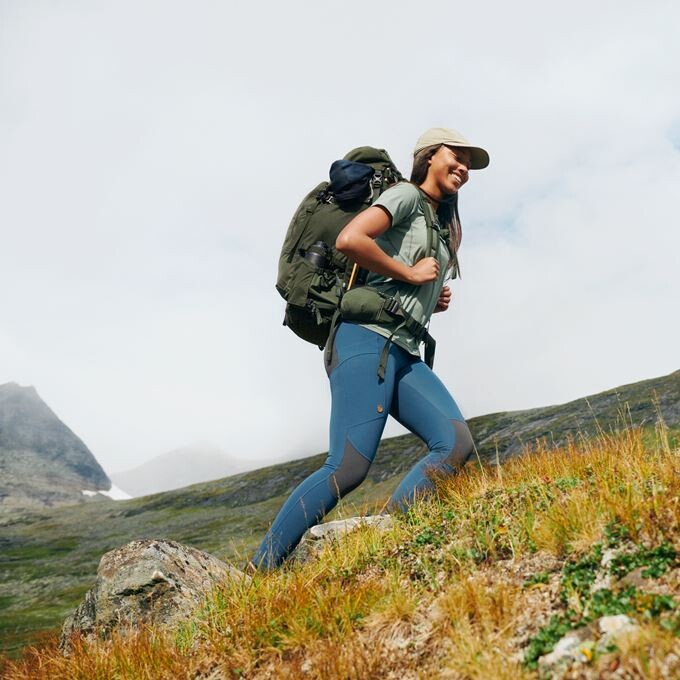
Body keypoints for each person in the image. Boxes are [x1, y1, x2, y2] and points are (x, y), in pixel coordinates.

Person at [252, 127, 489, 570]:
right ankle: (258, 570)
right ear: (429, 156)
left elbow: (394, 275)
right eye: (455, 156)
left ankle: (388, 548)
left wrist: (429, 297)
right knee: (347, 468)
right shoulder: (406, 196)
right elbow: (351, 240)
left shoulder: (438, 223)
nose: (463, 168)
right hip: (365, 340)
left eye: (468, 164)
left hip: (404, 350)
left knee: (454, 442)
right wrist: (410, 274)